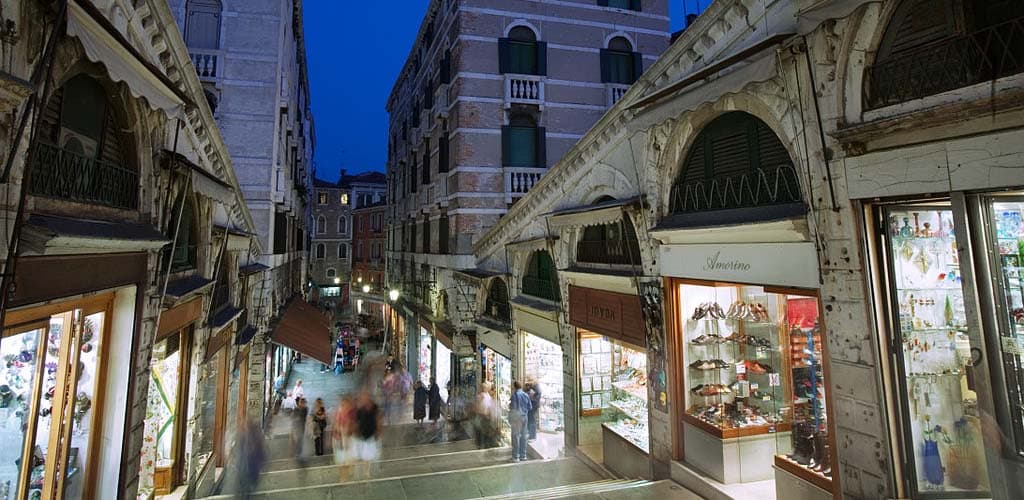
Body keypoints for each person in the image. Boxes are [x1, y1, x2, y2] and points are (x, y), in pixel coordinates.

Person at [351, 390, 382, 480]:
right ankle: (358, 471)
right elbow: (356, 422)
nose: (364, 399)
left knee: (368, 455)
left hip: (370, 433)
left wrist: (379, 430)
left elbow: (378, 418)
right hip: (361, 434)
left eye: (365, 397)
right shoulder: (360, 409)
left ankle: (366, 472)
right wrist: (354, 432)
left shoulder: (374, 407)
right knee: (360, 454)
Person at [234, 418, 266, 499]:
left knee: (245, 479)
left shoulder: (244, 436)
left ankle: (245, 492)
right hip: (251, 465)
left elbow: (239, 451)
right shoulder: (255, 437)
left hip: (246, 464)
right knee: (250, 479)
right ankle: (247, 491)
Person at [333, 395, 356, 482]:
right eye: (343, 403)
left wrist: (348, 428)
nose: (344, 405)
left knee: (348, 456)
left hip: (349, 436)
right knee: (343, 457)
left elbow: (354, 423)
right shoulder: (339, 411)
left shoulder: (352, 412)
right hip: (342, 436)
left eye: (346, 403)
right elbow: (336, 424)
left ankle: (347, 472)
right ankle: (343, 477)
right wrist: (340, 429)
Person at [508, 380, 532, 462]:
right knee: (523, 436)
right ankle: (523, 455)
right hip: (525, 417)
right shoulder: (526, 395)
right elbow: (530, 407)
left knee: (516, 436)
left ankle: (516, 457)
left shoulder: (515, 395)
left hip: (517, 418)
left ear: (514, 387)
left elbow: (513, 408)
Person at [474, 382, 498, 449]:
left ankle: (485, 444)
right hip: (483, 416)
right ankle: (483, 444)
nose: (486, 388)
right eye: (484, 387)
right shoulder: (480, 396)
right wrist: (483, 414)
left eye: (486, 387)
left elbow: (489, 405)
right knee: (483, 431)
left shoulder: (487, 395)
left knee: (486, 431)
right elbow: (478, 408)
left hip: (487, 416)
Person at [292, 397, 309, 465]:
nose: (303, 404)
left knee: (300, 440)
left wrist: (297, 418)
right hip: (297, 427)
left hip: (302, 427)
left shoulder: (305, 409)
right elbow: (294, 417)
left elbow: (301, 417)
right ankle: (298, 453)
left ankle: (299, 453)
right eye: (302, 402)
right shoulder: (296, 409)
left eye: (303, 403)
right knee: (298, 440)